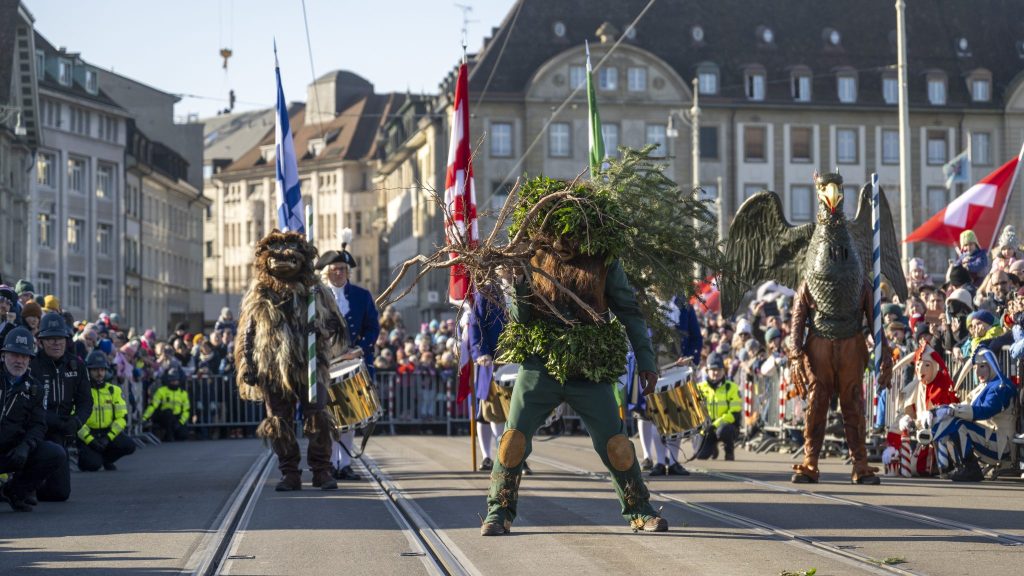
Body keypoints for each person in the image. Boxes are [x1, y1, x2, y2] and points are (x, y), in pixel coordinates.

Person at [482, 256, 666, 534]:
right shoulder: (532, 254)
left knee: (616, 445)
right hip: (540, 365)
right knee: (512, 441)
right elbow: (521, 318)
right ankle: (499, 511)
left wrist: (647, 361)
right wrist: (518, 281)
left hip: (590, 366)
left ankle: (640, 510)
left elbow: (629, 311)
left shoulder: (604, 258)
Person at [316, 229, 381, 482]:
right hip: (325, 364)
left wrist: (361, 348)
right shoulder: (316, 297)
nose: (339, 273)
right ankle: (330, 462)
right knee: (329, 418)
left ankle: (344, 464)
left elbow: (373, 327)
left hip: (353, 361)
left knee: (351, 416)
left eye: (343, 269)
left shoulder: (362, 296)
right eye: (334, 269)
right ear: (326, 272)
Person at [0, 327, 66, 512]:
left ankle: (14, 491)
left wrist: (25, 447)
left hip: (12, 451)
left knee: (54, 452)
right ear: (3, 355)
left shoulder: (35, 388)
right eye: (14, 355)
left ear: (30, 359)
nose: (19, 360)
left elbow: (38, 425)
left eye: (24, 356)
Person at [30, 312, 91, 502]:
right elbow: (26, 405)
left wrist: (77, 421)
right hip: (34, 430)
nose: (56, 343)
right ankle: (22, 486)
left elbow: (86, 401)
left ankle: (37, 486)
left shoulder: (76, 366)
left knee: (60, 494)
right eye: (51, 339)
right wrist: (53, 420)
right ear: (41, 341)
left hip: (61, 432)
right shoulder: (32, 365)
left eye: (60, 338)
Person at [931, 347, 1016, 481]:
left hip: (1001, 444)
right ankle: (958, 466)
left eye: (982, 366)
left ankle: (970, 468)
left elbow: (987, 411)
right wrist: (945, 409)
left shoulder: (1001, 386)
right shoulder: (984, 386)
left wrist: (954, 411)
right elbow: (965, 404)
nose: (977, 372)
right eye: (975, 367)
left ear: (992, 366)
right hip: (988, 437)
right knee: (947, 421)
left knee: (959, 425)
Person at [77, 351, 135, 471]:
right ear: (88, 371)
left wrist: (108, 437)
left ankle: (107, 459)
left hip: (107, 432)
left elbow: (122, 418)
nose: (99, 373)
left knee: (129, 445)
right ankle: (95, 459)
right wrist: (91, 440)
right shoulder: (81, 391)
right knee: (92, 465)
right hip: (88, 434)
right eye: (95, 370)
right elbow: (76, 421)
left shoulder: (114, 390)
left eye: (102, 370)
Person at [694, 352, 742, 461]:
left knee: (723, 430)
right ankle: (712, 447)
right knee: (700, 456)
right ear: (707, 371)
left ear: (723, 371)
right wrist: (703, 427)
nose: (716, 373)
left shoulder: (732, 387)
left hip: (725, 427)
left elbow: (734, 413)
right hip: (706, 428)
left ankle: (729, 450)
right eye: (713, 370)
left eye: (719, 370)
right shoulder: (699, 388)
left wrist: (715, 425)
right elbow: (694, 411)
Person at [143, 368, 190, 441]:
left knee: (183, 435)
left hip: (177, 418)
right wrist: (145, 418)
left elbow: (186, 410)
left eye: (176, 380)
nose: (174, 382)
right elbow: (153, 406)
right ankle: (168, 435)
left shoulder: (183, 393)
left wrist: (180, 422)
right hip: (164, 416)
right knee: (168, 413)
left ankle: (172, 434)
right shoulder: (161, 391)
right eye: (172, 380)